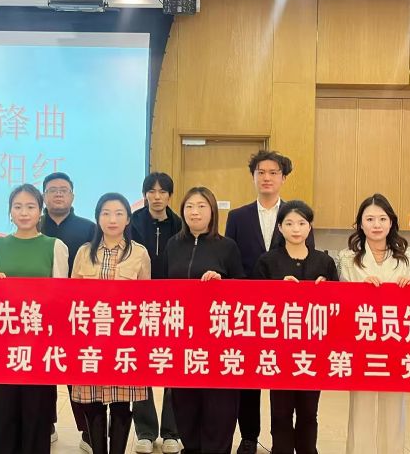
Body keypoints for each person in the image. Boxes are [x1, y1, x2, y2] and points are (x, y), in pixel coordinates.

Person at [224, 150, 314, 454]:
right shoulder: (237, 217)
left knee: (284, 376)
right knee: (248, 377)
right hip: (249, 309)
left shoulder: (297, 215)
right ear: (253, 176)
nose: (266, 178)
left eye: (273, 172)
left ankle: (286, 440)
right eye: (260, 172)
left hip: (287, 313)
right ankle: (249, 436)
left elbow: (307, 259)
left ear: (283, 177)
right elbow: (231, 260)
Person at [0, 184, 69, 454]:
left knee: (36, 412)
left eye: (30, 207)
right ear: (10, 211)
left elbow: (61, 296)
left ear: (40, 210)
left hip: (39, 343)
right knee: (2, 411)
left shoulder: (55, 246)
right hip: (3, 342)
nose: (23, 212)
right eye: (18, 207)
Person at [336, 194, 410, 454]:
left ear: (391, 222)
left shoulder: (409, 256)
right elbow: (339, 300)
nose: (376, 225)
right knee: (360, 405)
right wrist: (359, 290)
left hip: (396, 340)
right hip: (362, 340)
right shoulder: (347, 257)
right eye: (370, 219)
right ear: (360, 224)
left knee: (394, 406)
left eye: (382, 219)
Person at [166, 186, 245, 454]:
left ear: (212, 211)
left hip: (219, 341)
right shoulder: (173, 244)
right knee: (185, 405)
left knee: (219, 408)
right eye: (189, 206)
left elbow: (244, 289)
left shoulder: (227, 246)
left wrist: (223, 283)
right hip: (182, 339)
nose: (195, 212)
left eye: (201, 206)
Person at [254, 200, 337, 454]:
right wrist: (276, 291)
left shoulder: (325, 262)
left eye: (302, 223)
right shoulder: (267, 262)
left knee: (308, 412)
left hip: (313, 350)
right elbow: (253, 303)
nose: (296, 229)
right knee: (280, 412)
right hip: (279, 350)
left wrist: (327, 291)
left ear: (310, 226)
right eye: (289, 223)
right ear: (279, 228)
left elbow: (339, 306)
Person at [71, 192, 150, 454]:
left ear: (128, 219)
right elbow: (72, 296)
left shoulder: (139, 253)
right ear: (97, 218)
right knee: (92, 404)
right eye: (105, 213)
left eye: (118, 213)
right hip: (91, 340)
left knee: (121, 405)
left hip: (124, 341)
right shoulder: (84, 252)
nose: (112, 219)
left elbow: (145, 300)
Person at [38, 171, 95, 448]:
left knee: (77, 371)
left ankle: (87, 431)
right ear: (44, 196)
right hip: (40, 311)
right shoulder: (33, 225)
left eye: (63, 189)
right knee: (43, 369)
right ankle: (46, 424)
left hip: (78, 312)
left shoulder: (89, 228)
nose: (58, 194)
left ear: (73, 195)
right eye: (52, 190)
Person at [129, 172, 182, 454]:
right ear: (145, 194)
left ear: (170, 195)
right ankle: (146, 431)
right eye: (152, 191)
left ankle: (172, 431)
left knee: (173, 365)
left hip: (174, 305)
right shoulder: (132, 222)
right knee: (141, 366)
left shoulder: (180, 224)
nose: (157, 196)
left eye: (163, 191)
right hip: (139, 304)